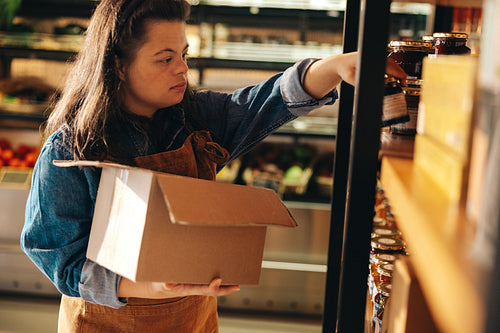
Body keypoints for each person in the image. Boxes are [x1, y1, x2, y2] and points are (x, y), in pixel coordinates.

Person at [21, 0, 407, 332]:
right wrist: (152, 286)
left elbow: (263, 102)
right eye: (165, 59)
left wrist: (332, 67)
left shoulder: (196, 117)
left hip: (192, 319)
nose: (181, 70)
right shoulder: (73, 147)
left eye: (184, 55)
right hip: (105, 322)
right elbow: (58, 259)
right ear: (119, 66)